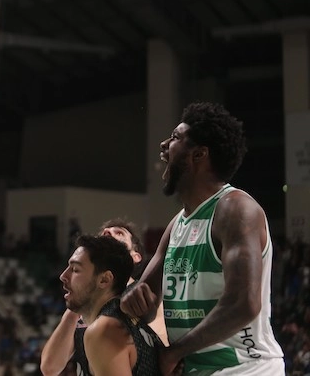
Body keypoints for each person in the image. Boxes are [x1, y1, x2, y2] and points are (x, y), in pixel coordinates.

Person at [121, 102, 284, 375]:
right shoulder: (176, 225)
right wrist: (131, 297)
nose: (164, 145)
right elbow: (145, 299)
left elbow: (244, 304)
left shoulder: (236, 210)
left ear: (199, 154)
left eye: (175, 138)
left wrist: (175, 351)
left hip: (246, 368)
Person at [40, 219, 167, 376]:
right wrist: (77, 306)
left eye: (119, 233)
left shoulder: (143, 293)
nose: (108, 233)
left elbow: (164, 357)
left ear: (136, 256)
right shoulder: (86, 304)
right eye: (104, 233)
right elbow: (50, 368)